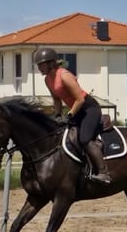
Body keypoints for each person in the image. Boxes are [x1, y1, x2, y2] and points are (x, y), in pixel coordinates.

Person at [34, 47, 111, 184]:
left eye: (41, 64)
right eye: (38, 65)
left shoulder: (64, 75)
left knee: (85, 139)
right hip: (76, 110)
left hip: (89, 109)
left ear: (51, 63)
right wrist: (57, 115)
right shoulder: (47, 80)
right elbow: (57, 99)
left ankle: (103, 172)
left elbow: (80, 99)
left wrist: (69, 115)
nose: (39, 67)